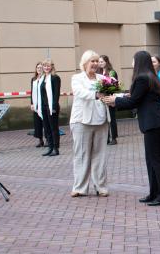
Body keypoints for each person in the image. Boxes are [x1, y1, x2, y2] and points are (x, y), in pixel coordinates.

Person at [103, 51, 160, 206]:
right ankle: (155, 193)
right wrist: (120, 98)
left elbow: (134, 101)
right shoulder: (149, 76)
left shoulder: (142, 78)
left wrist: (116, 100)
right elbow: (138, 98)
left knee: (156, 160)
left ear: (138, 62)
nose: (132, 63)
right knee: (151, 160)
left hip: (153, 123)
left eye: (133, 60)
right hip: (155, 122)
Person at [69, 51, 110, 197]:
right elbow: (80, 92)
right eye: (91, 61)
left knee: (100, 155)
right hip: (81, 121)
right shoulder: (76, 78)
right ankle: (79, 187)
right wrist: (97, 94)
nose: (94, 64)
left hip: (101, 120)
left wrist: (120, 97)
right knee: (81, 155)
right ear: (85, 63)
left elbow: (113, 93)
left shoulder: (103, 78)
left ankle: (101, 187)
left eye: (96, 61)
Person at [38, 59, 61, 156]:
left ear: (52, 66)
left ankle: (56, 148)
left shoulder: (55, 77)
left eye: (48, 66)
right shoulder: (42, 78)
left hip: (52, 106)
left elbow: (56, 94)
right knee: (47, 128)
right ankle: (50, 147)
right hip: (43, 107)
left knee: (53, 128)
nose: (46, 68)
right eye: (45, 66)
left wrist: (54, 106)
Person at [98, 55, 118, 145]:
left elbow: (115, 85)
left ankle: (114, 138)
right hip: (101, 99)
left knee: (112, 119)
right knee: (104, 119)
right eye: (99, 62)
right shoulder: (98, 72)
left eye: (102, 61)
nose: (100, 63)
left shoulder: (112, 72)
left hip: (109, 97)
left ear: (106, 62)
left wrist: (107, 89)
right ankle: (106, 138)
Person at [30, 62, 45, 148]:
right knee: (37, 123)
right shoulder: (34, 79)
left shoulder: (45, 78)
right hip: (36, 104)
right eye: (38, 68)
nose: (39, 69)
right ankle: (40, 140)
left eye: (40, 67)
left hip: (43, 104)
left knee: (45, 123)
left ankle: (47, 139)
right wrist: (31, 103)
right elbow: (32, 92)